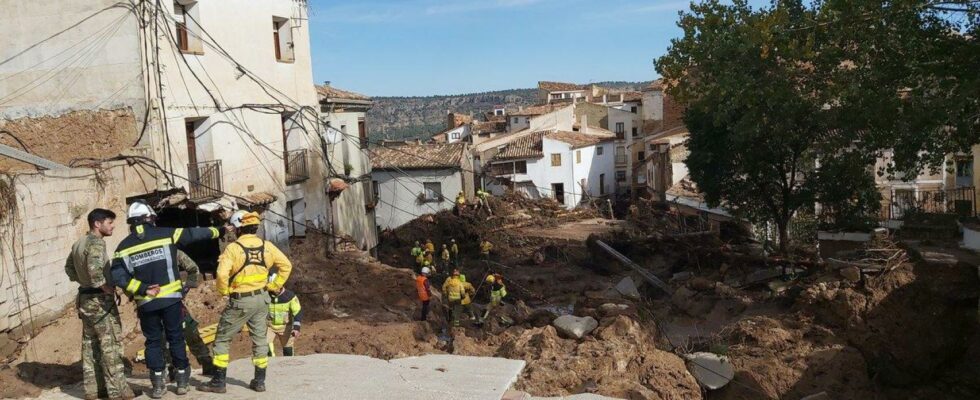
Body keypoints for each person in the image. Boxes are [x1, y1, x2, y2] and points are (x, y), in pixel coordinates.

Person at [110, 201, 227, 398]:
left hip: (146, 303)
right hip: (172, 300)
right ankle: (182, 382)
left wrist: (142, 288)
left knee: (153, 342)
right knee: (176, 338)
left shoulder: (123, 247)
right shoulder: (166, 234)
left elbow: (118, 276)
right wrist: (219, 230)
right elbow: (193, 234)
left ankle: (157, 385)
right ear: (149, 218)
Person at [199, 211, 292, 394]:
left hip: (241, 301)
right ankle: (259, 381)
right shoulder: (267, 246)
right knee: (259, 340)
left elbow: (222, 274)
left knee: (222, 339)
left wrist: (224, 291)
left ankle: (218, 381)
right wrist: (274, 286)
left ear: (239, 228)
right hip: (262, 299)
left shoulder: (233, 249)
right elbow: (286, 266)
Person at [66, 208, 136, 400]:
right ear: (97, 224)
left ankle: (94, 390)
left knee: (90, 346)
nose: (112, 226)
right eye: (109, 222)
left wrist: (83, 281)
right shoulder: (96, 244)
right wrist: (103, 287)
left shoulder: (78, 243)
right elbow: (95, 270)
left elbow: (69, 268)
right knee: (110, 346)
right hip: (99, 302)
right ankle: (118, 392)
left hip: (85, 300)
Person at [162, 250, 214, 381]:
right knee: (164, 338)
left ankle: (206, 362)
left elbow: (193, 268)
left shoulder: (171, 250)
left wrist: (186, 288)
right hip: (156, 305)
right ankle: (171, 368)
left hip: (175, 303)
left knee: (190, 331)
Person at [267, 286, 302, 357]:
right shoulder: (265, 295)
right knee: (266, 347)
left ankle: (288, 366)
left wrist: (296, 328)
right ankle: (271, 363)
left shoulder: (290, 296)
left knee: (288, 350)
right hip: (269, 326)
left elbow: (297, 311)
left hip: (286, 327)